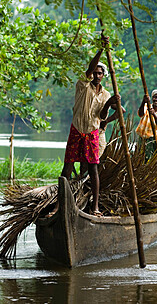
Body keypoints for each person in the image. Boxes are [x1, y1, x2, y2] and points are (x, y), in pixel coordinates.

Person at [61, 36, 120, 215]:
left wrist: (110, 102)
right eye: (94, 72)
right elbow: (88, 69)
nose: (96, 75)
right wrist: (101, 49)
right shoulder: (82, 85)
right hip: (77, 130)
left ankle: (94, 207)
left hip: (93, 132)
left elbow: (101, 116)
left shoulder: (105, 93)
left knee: (93, 168)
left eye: (99, 73)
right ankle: (60, 203)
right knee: (68, 166)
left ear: (103, 76)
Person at [136, 89, 157, 159]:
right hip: (141, 137)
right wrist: (143, 102)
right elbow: (140, 114)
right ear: (152, 98)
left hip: (152, 139)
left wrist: (153, 114)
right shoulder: (146, 106)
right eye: (155, 97)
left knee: (149, 158)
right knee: (138, 157)